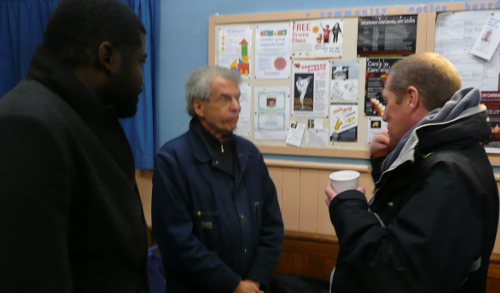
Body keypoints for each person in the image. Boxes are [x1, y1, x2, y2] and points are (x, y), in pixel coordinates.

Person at [0, 0, 149, 292]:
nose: (142, 79)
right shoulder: (28, 123)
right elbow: (30, 279)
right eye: (139, 62)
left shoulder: (83, 117)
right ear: (106, 56)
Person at [325, 52, 499, 293]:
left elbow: (396, 270)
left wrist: (346, 207)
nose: (384, 114)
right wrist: (384, 163)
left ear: (411, 98)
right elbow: (410, 212)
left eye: (387, 102)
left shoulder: (450, 172)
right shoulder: (446, 153)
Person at [152, 65, 284, 293]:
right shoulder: (173, 159)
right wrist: (232, 285)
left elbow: (272, 226)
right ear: (199, 107)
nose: (236, 106)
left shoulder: (250, 155)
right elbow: (177, 241)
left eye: (237, 98)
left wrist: (254, 280)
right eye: (225, 99)